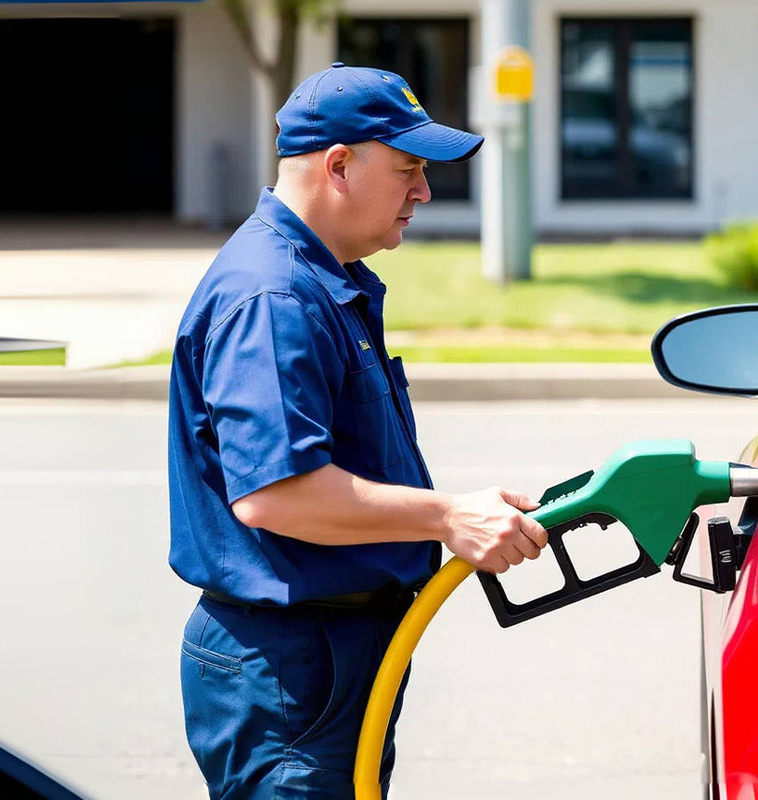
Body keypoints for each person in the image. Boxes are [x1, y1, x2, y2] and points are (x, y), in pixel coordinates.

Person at [167, 63, 548, 799]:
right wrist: (446, 516)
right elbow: (276, 494)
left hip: (318, 656)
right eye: (407, 169)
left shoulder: (318, 276)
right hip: (292, 665)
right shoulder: (273, 294)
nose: (424, 191)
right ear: (338, 165)